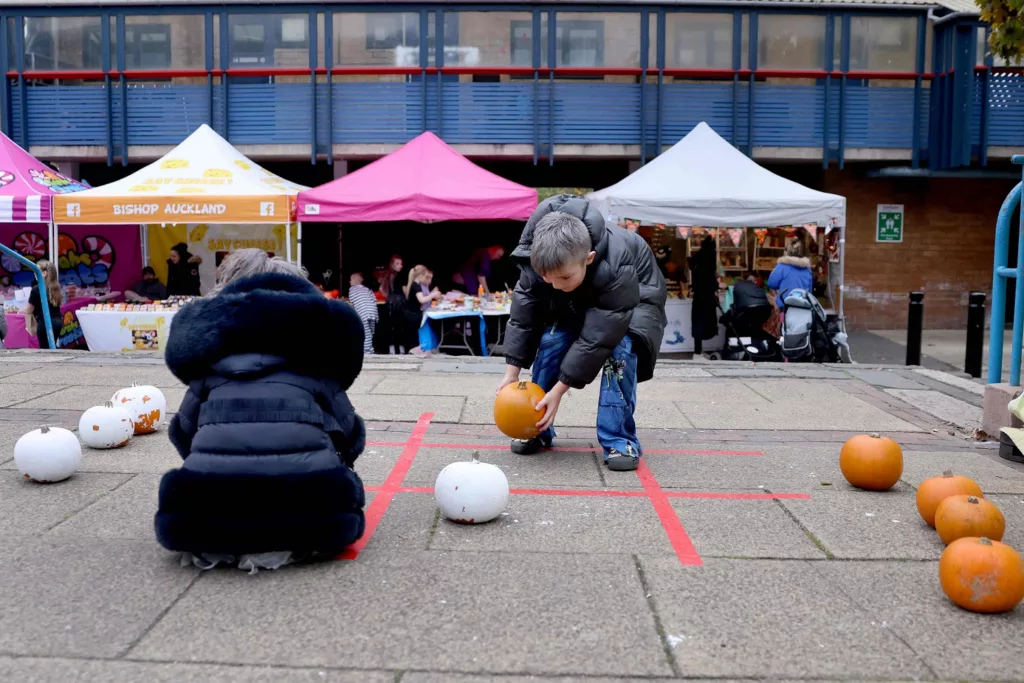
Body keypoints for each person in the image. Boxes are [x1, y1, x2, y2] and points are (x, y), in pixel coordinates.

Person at [155, 248, 368, 571]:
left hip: (212, 512)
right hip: (307, 511)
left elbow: (182, 432)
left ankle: (224, 533)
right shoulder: (314, 365)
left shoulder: (210, 367)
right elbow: (350, 434)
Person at [498, 195, 667, 472]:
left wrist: (559, 390)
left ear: (588, 259)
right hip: (577, 301)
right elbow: (524, 315)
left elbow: (600, 336)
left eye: (563, 277)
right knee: (551, 340)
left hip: (633, 305)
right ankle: (536, 426)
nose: (553, 284)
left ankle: (619, 439)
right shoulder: (537, 255)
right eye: (546, 277)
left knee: (620, 353)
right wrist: (511, 372)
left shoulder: (616, 262)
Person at [689, 234, 719, 356]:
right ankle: (701, 349)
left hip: (698, 296)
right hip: (707, 296)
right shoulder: (710, 259)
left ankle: (697, 348)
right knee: (706, 321)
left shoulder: (697, 258)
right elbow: (711, 279)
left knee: (698, 322)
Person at [23, 259, 63, 350]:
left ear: (44, 273)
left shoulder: (37, 289)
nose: (34, 274)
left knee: (45, 349)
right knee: (52, 346)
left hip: (45, 323)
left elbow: (29, 309)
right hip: (57, 322)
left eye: (36, 271)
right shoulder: (56, 288)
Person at [403, 265, 442, 355]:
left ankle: (416, 350)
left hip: (410, 314)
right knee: (414, 336)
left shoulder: (413, 284)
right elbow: (422, 300)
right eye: (425, 276)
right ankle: (419, 350)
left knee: (412, 336)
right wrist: (433, 294)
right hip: (413, 315)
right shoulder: (416, 286)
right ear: (420, 275)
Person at [767, 237, 814, 309]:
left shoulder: (782, 267)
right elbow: (810, 292)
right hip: (803, 308)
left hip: (785, 307)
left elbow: (771, 283)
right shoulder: (807, 270)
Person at [347, 272, 379, 355]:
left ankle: (368, 351)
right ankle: (369, 347)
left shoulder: (352, 290)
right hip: (373, 313)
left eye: (350, 280)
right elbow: (374, 300)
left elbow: (352, 302)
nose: (349, 282)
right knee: (371, 332)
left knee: (365, 333)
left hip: (363, 314)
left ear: (353, 281)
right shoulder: (368, 289)